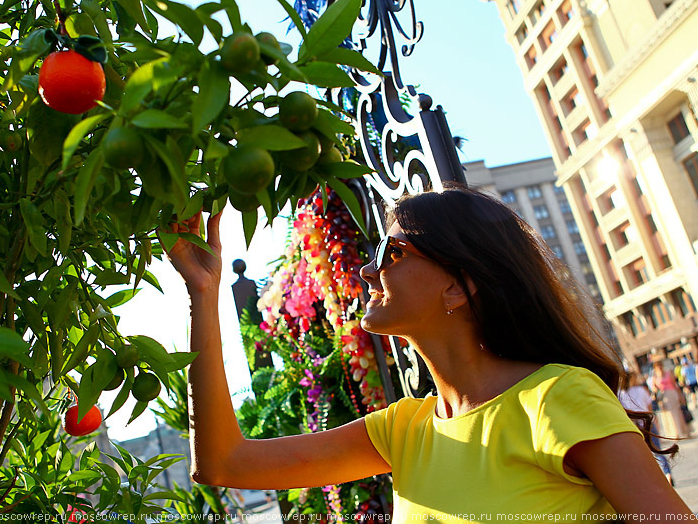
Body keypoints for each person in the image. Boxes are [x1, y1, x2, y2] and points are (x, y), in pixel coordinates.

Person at [162, 186, 691, 521]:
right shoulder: (402, 430)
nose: (367, 271)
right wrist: (203, 293)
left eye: (391, 253)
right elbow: (223, 463)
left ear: (459, 286)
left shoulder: (555, 398)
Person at [618, 371, 674, 486]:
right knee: (657, 450)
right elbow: (649, 408)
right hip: (647, 423)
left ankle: (657, 478)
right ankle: (667, 473)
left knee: (645, 455)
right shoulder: (640, 390)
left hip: (635, 427)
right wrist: (654, 421)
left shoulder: (621, 394)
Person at [651, 361, 690, 439]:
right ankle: (674, 433)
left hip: (672, 394)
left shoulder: (669, 373)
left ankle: (682, 431)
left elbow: (675, 385)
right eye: (657, 366)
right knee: (669, 415)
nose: (659, 367)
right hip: (663, 396)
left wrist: (680, 396)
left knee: (677, 412)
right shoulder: (655, 377)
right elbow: (654, 389)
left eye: (660, 365)